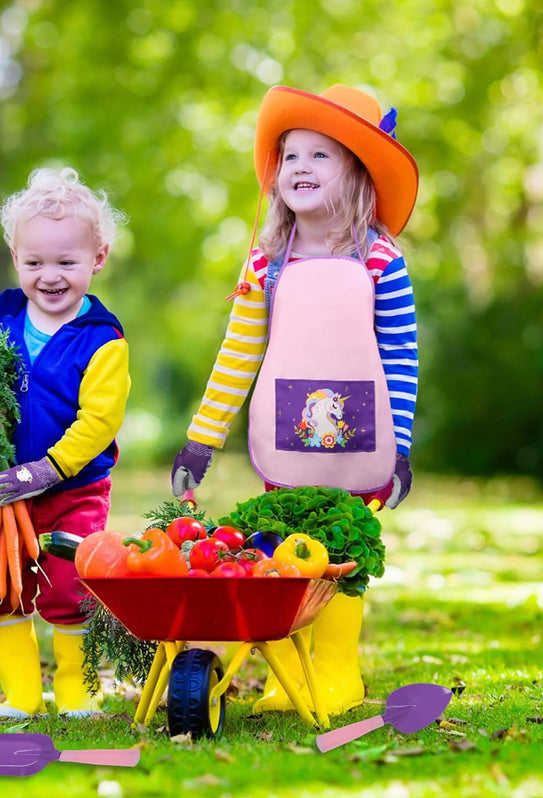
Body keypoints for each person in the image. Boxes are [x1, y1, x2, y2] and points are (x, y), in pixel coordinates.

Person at [171, 84, 419, 716]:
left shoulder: (380, 260)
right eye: (290, 156)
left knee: (343, 550)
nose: (300, 169)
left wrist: (402, 450)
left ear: (358, 171)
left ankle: (337, 672)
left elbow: (400, 357)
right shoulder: (266, 264)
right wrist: (203, 439)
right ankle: (294, 673)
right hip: (286, 428)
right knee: (289, 552)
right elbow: (237, 356)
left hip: (362, 431)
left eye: (320, 156)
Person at [0, 167, 130, 719]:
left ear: (98, 258)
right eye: (35, 262)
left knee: (69, 586)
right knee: (0, 585)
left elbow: (99, 422)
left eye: (67, 262)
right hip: (0, 488)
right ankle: (20, 698)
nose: (50, 276)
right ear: (15, 257)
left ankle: (78, 693)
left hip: (74, 488)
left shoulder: (103, 340)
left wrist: (47, 469)